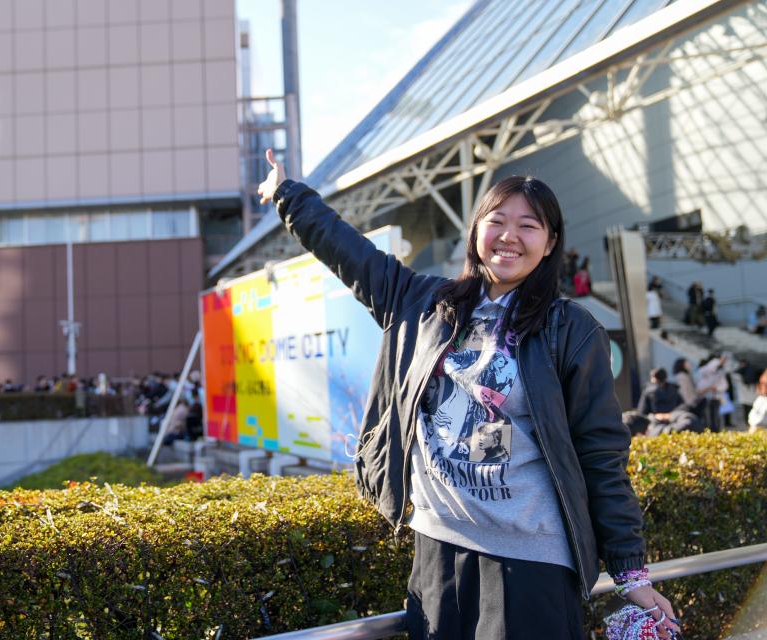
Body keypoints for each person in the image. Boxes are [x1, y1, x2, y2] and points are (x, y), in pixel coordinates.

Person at [257, 149, 679, 639]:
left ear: (550, 243)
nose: (510, 236)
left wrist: (630, 573)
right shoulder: (422, 303)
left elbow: (601, 453)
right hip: (437, 545)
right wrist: (288, 195)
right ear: (476, 232)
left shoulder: (572, 330)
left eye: (529, 226)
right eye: (497, 220)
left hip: (532, 560)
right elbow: (347, 251)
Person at [635, 368, 699, 436]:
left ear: (653, 378)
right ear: (665, 377)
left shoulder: (648, 391)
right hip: (674, 424)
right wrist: (670, 415)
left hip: (655, 426)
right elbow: (683, 407)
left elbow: (641, 412)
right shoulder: (674, 390)